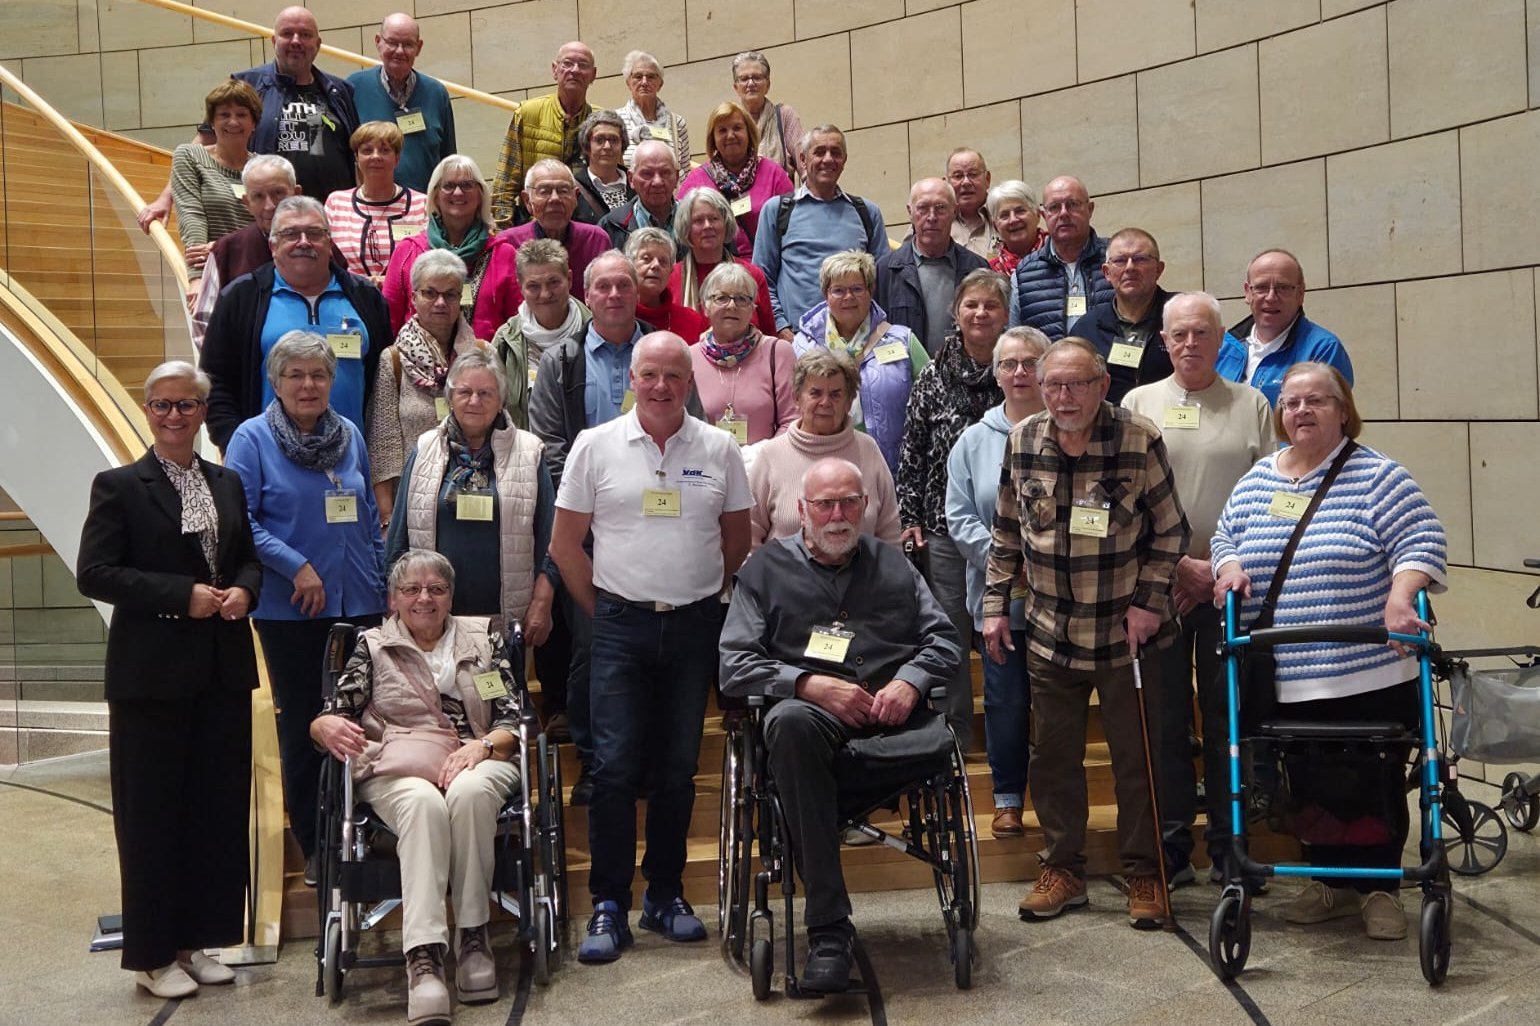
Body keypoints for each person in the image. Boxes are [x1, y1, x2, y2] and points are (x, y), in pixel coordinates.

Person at [1212, 362, 1446, 941]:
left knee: (1372, 780)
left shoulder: (1378, 476)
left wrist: (1399, 597)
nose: (1302, 411)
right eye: (1292, 403)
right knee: (1307, 778)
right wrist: (1231, 565)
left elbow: (1422, 540)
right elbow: (1224, 536)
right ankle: (1327, 881)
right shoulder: (1260, 479)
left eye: (1317, 400)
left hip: (1365, 669)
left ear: (1344, 410)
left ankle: (1380, 889)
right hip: (1287, 669)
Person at [719, 457, 962, 991]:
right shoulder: (762, 570)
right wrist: (806, 684)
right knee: (787, 723)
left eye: (849, 502)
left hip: (891, 722)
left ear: (867, 506)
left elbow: (944, 638)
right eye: (824, 503)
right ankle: (829, 928)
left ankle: (829, 922)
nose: (837, 514)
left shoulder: (896, 564)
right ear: (801, 511)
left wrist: (911, 680)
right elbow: (734, 664)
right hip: (808, 728)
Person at [549, 332, 752, 964]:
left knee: (677, 769)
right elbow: (564, 547)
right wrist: (606, 612)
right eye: (650, 374)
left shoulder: (720, 447)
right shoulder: (595, 445)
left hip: (693, 629)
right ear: (630, 379)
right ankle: (610, 903)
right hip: (619, 628)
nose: (661, 385)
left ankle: (666, 894)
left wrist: (696, 599)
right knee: (611, 769)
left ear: (690, 381)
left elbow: (737, 543)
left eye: (673, 375)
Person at [982, 337, 1188, 928]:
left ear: (1103, 385)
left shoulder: (1138, 438)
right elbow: (1005, 534)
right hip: (1050, 632)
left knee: (1135, 759)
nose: (1065, 397)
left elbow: (1172, 533)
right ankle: (1063, 869)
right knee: (1052, 760)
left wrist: (1150, 603)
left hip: (1127, 635)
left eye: (1077, 384)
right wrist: (996, 606)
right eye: (1054, 386)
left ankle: (1144, 872)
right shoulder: (1023, 441)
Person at [76, 361, 263, 999]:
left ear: (203, 412)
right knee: (153, 817)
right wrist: (181, 595)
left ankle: (200, 942)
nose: (175, 416)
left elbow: (245, 558)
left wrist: (243, 589)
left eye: (187, 406)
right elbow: (95, 573)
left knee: (215, 811)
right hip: (150, 677)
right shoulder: (120, 486)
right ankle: (154, 956)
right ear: (148, 411)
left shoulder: (228, 482)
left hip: (220, 670)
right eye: (163, 406)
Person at [310, 550, 521, 1022]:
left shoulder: (483, 638)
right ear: (394, 598)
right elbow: (336, 714)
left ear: (451, 596)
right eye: (411, 589)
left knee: (468, 793)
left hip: (480, 754)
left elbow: (511, 719)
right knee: (424, 803)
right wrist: (322, 727)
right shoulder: (373, 644)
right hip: (399, 761)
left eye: (436, 589)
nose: (424, 598)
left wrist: (481, 748)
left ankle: (473, 938)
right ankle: (423, 957)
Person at [1122, 292, 1274, 887]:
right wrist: (1176, 566)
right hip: (1157, 587)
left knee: (1226, 718)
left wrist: (1215, 567)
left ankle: (1230, 846)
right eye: (1179, 334)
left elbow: (1270, 495)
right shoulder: (1138, 402)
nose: (1190, 344)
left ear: (1221, 341)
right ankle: (1171, 847)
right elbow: (1122, 498)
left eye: (1201, 333)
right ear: (1164, 341)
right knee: (1162, 723)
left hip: (1228, 587)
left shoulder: (1253, 403)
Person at [224, 331, 387, 883]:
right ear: (275, 381)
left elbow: (366, 513)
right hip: (290, 608)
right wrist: (298, 566)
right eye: (295, 374)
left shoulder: (348, 435)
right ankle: (316, 846)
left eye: (318, 374)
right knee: (305, 726)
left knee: (362, 721)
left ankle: (361, 829)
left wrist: (384, 577)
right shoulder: (251, 439)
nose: (308, 384)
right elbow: (239, 523)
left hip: (360, 602)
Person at [896, 269, 1010, 750]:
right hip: (942, 529)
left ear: (1005, 314)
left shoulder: (1020, 369)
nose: (980, 313)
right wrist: (911, 515)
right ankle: (956, 736)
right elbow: (913, 447)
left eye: (991, 305)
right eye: (971, 305)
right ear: (955, 312)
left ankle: (1010, 731)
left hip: (1011, 532)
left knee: (1005, 627)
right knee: (949, 631)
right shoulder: (933, 374)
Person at [945, 326, 1049, 839]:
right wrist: (1011, 563)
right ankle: (1007, 799)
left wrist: (1047, 563)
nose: (1020, 373)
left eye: (1030, 362)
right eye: (1009, 364)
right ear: (996, 373)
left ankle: (1053, 801)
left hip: (1062, 600)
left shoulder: (1070, 430)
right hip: (998, 601)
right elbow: (959, 516)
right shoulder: (972, 440)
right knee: (1006, 703)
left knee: (1056, 709)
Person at [384, 350, 558, 640]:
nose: (474, 401)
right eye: (465, 392)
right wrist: (393, 600)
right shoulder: (425, 448)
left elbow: (551, 541)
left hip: (507, 613)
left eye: (485, 393)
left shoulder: (530, 452)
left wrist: (543, 602)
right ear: (450, 398)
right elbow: (399, 536)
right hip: (430, 615)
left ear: (502, 400)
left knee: (498, 686)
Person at [201, 196, 388, 450]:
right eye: (290, 234)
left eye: (314, 233)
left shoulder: (366, 297)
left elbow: (385, 382)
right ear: (273, 245)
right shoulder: (241, 298)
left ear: (329, 242)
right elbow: (215, 381)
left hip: (350, 458)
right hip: (267, 461)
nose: (303, 242)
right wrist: (238, 445)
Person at [367, 249, 485, 526]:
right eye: (430, 293)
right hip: (414, 499)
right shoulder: (393, 360)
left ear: (461, 299)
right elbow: (384, 445)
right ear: (414, 298)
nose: (440, 302)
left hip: (474, 494)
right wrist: (387, 516)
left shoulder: (482, 356)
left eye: (450, 294)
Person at [792, 250, 929, 475]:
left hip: (890, 471)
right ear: (825, 294)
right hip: (819, 472)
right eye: (838, 290)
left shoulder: (903, 340)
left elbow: (932, 399)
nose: (848, 297)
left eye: (857, 289)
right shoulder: (802, 347)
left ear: (870, 291)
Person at [748, 350, 901, 548]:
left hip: (862, 578)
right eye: (815, 393)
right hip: (786, 577)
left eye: (836, 395)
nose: (825, 402)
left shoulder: (868, 448)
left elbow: (889, 532)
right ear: (796, 398)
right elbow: (749, 536)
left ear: (849, 402)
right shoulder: (771, 455)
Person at [754, 125, 888, 337]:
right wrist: (781, 328)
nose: (828, 159)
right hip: (797, 339)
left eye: (835, 153)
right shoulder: (778, 210)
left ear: (844, 161)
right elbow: (761, 279)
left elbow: (883, 279)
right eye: (819, 152)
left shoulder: (867, 213)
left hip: (857, 340)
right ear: (803, 160)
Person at [381, 154, 520, 343]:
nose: (457, 193)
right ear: (435, 195)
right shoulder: (407, 252)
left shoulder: (503, 254)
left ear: (481, 195)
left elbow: (517, 324)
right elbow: (389, 322)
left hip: (485, 366)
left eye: (467, 185)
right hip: (418, 368)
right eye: (448, 186)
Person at [190, 157, 319, 351]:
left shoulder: (320, 245)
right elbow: (204, 324)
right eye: (258, 196)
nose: (269, 206)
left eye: (278, 193)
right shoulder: (227, 250)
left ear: (297, 194)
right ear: (246, 202)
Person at [234, 7, 359, 203]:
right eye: (287, 33)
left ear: (318, 44)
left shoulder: (341, 91)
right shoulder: (245, 85)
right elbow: (207, 145)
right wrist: (169, 193)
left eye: (305, 35)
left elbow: (358, 156)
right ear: (274, 41)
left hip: (332, 215)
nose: (295, 41)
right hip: (267, 216)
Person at [1216, 249, 1353, 407]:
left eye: (1283, 287)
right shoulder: (1224, 348)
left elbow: (1328, 422)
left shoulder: (1323, 350)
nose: (1271, 297)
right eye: (1261, 287)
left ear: (1300, 294)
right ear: (1248, 293)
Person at [876, 178, 989, 356]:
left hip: (964, 378)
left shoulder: (978, 269)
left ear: (954, 211)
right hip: (907, 378)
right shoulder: (885, 271)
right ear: (910, 212)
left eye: (940, 208)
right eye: (922, 208)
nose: (931, 217)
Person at [691, 262, 798, 446]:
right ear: (705, 307)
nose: (732, 306)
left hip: (764, 467)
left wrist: (759, 459)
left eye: (742, 299)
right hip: (704, 468)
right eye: (721, 298)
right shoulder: (689, 358)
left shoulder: (778, 353)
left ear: (752, 308)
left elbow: (793, 421)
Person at [347, 13, 457, 193]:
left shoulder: (437, 93)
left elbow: (448, 159)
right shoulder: (354, 88)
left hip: (425, 210)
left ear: (419, 47)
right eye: (392, 42)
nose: (399, 51)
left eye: (407, 44)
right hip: (371, 209)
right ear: (378, 42)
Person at [491, 41, 596, 228]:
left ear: (593, 75)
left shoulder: (600, 122)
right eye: (567, 63)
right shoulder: (528, 113)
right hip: (534, 228)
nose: (575, 70)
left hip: (584, 229)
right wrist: (504, 236)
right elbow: (504, 185)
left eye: (583, 65)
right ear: (555, 70)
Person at [492, 238, 590, 428]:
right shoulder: (505, 341)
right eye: (534, 286)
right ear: (520, 287)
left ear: (569, 279)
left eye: (553, 282)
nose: (545, 294)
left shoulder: (596, 332)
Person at [1069, 228, 1175, 404]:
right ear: (1106, 273)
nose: (1130, 267)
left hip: (1172, 420)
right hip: (1108, 427)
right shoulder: (1086, 329)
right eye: (1120, 260)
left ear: (1159, 269)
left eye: (1140, 259)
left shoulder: (1183, 314)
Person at [676, 102, 794, 258]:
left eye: (737, 128)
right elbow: (680, 230)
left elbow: (794, 227)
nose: (730, 135)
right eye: (722, 130)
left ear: (749, 133)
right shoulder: (697, 179)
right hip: (715, 273)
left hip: (766, 269)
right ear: (713, 139)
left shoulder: (774, 173)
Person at [171, 80, 261, 284]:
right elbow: (191, 215)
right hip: (210, 273)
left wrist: (221, 247)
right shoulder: (189, 156)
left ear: (254, 123)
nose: (233, 122)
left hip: (256, 276)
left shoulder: (264, 168)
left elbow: (269, 227)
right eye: (224, 115)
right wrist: (196, 280)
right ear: (211, 122)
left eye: (241, 114)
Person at [324, 121, 430, 285]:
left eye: (385, 150)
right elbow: (326, 259)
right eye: (367, 150)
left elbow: (428, 261)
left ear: (397, 158)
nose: (375, 156)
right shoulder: (336, 203)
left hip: (406, 300)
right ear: (357, 157)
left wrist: (389, 282)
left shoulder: (421, 204)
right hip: (349, 298)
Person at [1012, 175, 1113, 340]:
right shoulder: (1024, 274)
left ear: (1090, 209)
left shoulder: (1117, 259)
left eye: (1072, 204)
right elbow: (1015, 340)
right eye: (1054, 207)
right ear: (1043, 216)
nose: (1064, 213)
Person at [496, 160, 611, 302]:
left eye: (563, 191)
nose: (555, 199)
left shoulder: (595, 239)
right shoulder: (507, 244)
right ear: (527, 200)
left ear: (575, 197)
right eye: (544, 191)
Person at [671, 187, 776, 334]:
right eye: (698, 220)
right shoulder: (671, 278)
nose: (707, 226)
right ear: (686, 227)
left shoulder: (752, 275)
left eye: (714, 218)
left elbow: (769, 334)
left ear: (726, 223)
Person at [729, 50, 804, 183]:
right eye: (744, 78)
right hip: (739, 201)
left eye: (757, 77)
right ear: (736, 87)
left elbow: (806, 167)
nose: (751, 83)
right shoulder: (729, 122)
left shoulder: (784, 116)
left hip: (779, 199)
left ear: (767, 85)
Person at [626, 228, 710, 343]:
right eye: (646, 259)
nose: (655, 265)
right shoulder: (618, 317)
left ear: (671, 270)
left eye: (663, 261)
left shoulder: (692, 322)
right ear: (630, 266)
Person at [598, 140, 680, 250]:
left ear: (677, 177)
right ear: (631, 179)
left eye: (665, 172)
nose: (657, 182)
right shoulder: (610, 227)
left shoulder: (696, 220)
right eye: (647, 173)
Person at [616, 50, 690, 169]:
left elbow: (685, 171)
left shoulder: (677, 123)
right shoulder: (615, 121)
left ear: (660, 84)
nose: (644, 82)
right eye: (638, 76)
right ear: (628, 83)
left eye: (651, 77)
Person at [572, 111, 633, 225]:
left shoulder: (638, 184)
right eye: (599, 140)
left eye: (614, 140)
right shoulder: (573, 189)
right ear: (586, 145)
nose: (607, 146)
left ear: (622, 145)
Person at [987, 179, 1046, 277]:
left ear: (1037, 215)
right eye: (1004, 215)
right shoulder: (991, 272)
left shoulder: (1059, 253)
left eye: (1020, 211)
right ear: (995, 226)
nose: (1013, 220)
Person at [946, 148, 996, 259]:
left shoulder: (1004, 215)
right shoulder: (932, 221)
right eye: (958, 176)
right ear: (947, 183)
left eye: (973, 174)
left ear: (987, 179)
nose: (966, 182)